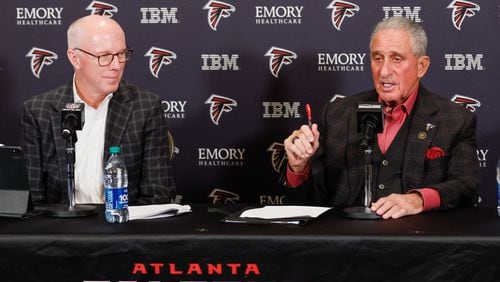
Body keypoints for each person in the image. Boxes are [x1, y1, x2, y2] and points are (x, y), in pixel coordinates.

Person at [283, 16, 479, 219]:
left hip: (417, 242)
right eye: (378, 58)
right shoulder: (336, 114)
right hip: (343, 243)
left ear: (421, 66)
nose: (384, 71)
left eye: (397, 59)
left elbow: (466, 186)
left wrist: (418, 199)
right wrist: (299, 168)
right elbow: (308, 204)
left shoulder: (455, 119)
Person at [21, 15, 175, 205]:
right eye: (104, 56)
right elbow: (32, 198)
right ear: (75, 58)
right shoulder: (38, 111)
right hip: (59, 229)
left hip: (124, 228)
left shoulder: (146, 107)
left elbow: (157, 194)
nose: (116, 65)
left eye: (121, 54)